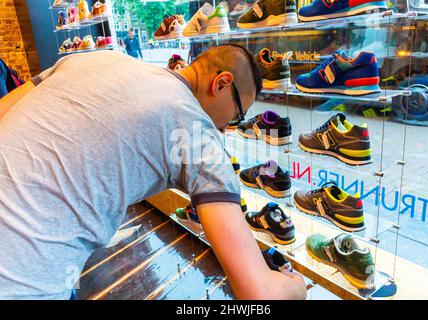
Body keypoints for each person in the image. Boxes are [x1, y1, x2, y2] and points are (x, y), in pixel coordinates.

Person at [0, 45, 307, 300]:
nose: (226, 129)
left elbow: (4, 108)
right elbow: (260, 295)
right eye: (237, 115)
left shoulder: (94, 58)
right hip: (23, 279)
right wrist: (296, 287)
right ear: (222, 83)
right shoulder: (197, 133)